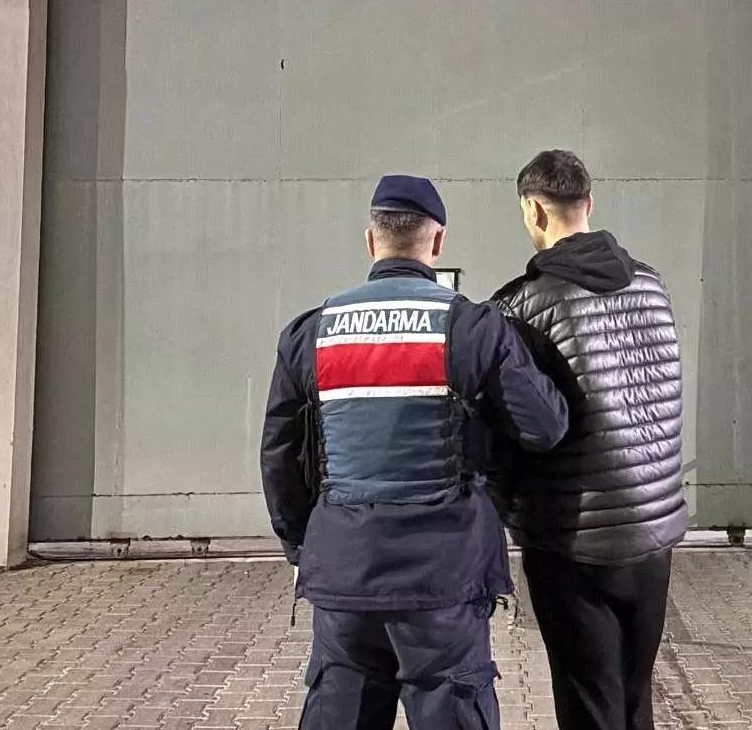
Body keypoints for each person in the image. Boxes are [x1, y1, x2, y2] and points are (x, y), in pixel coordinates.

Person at [261, 174, 568, 730]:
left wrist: (305, 544)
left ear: (371, 241)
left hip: (346, 571)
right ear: (438, 241)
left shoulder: (311, 333)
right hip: (444, 577)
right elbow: (545, 428)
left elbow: (280, 456)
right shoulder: (473, 327)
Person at [492, 150, 688, 730]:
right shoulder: (652, 285)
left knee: (589, 705)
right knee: (634, 699)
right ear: (589, 204)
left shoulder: (525, 305)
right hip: (654, 531)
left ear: (534, 210)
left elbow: (518, 427)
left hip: (573, 540)